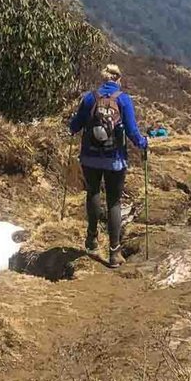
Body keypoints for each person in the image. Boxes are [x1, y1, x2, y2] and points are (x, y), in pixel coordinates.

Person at [68, 63, 147, 268]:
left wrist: (71, 126)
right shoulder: (123, 99)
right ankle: (114, 253)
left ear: (103, 78)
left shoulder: (89, 98)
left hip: (90, 156)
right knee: (113, 202)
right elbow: (131, 131)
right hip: (115, 159)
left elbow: (75, 125)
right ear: (118, 78)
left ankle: (92, 238)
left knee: (92, 192)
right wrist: (143, 143)